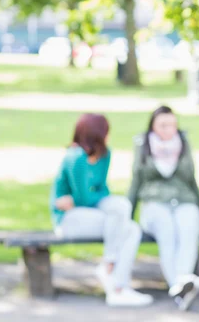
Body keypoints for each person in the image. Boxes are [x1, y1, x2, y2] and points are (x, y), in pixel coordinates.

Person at [50, 113, 153, 307]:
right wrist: (82, 199)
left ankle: (117, 283)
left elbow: (99, 190)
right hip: (68, 219)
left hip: (86, 210)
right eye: (106, 132)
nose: (108, 136)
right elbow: (84, 197)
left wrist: (82, 200)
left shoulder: (105, 154)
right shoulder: (75, 158)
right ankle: (112, 275)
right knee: (121, 223)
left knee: (128, 219)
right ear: (96, 134)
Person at [127, 106, 199, 311]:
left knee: (189, 227)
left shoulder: (183, 143)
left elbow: (192, 179)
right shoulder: (143, 145)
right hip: (154, 203)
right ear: (153, 126)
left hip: (184, 201)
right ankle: (181, 285)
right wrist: (128, 215)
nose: (168, 129)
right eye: (163, 125)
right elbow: (136, 181)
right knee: (167, 231)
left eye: (172, 125)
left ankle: (181, 285)